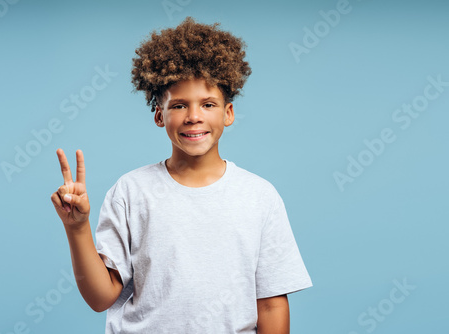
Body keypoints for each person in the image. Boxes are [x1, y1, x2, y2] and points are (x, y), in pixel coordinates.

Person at [51, 16, 312, 334]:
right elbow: (100, 297)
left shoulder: (259, 196)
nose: (193, 117)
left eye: (208, 103)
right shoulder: (131, 192)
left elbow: (271, 303)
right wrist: (77, 229)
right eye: (179, 106)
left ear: (227, 113)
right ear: (160, 115)